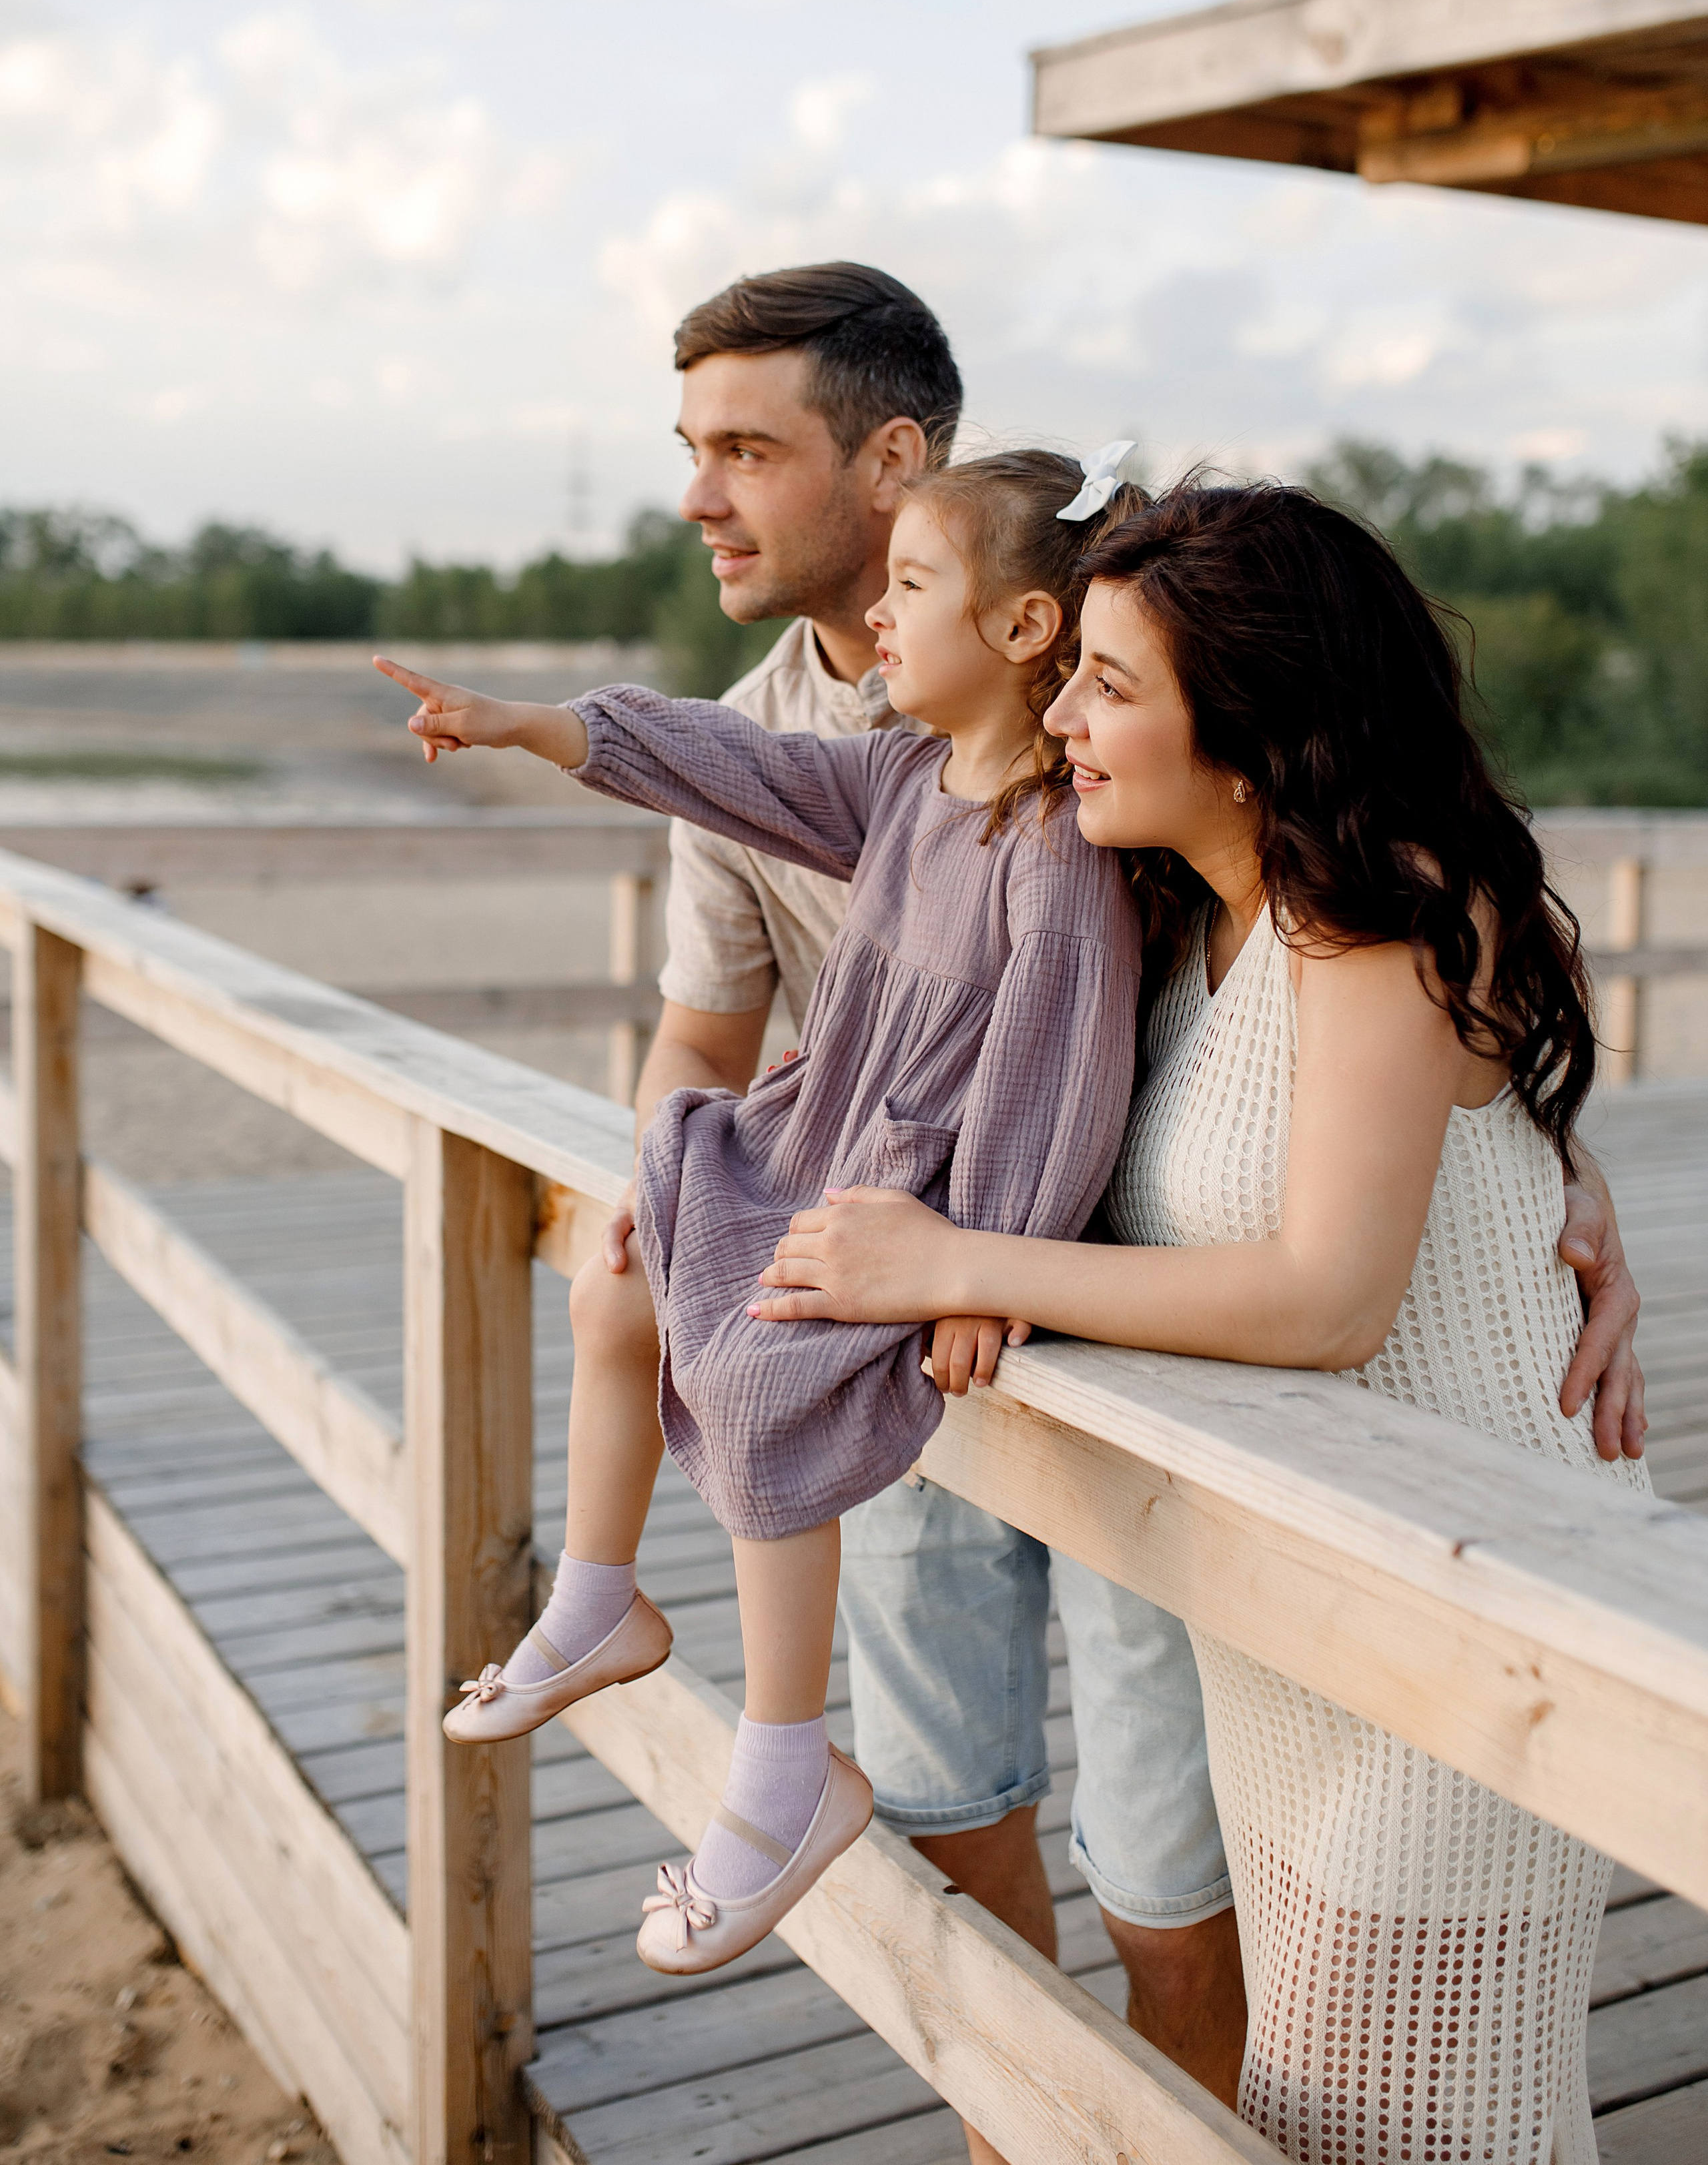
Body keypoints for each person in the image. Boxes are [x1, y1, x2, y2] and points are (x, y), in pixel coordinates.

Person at [755, 478, 1651, 2162]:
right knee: (1317, 2107)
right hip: (1294, 1613)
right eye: (1069, 668)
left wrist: (953, 1261)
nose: (1062, 713)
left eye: (1109, 683)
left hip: (1470, 1604)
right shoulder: (1171, 919)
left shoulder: (1386, 910)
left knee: (1416, 2118)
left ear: (1248, 728)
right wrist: (1560, 1165)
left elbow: (1326, 1294)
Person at [374, 448, 1148, 1975]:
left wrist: (978, 1266)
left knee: (753, 1362)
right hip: (824, 1138)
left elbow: (1056, 1096)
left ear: (1022, 631)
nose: (877, 610)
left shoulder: (1054, 861)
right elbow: (733, 766)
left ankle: (788, 1768)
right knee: (619, 1282)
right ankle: (598, 1601)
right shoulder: (911, 779)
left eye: (911, 586)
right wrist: (540, 727)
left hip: (922, 1196)